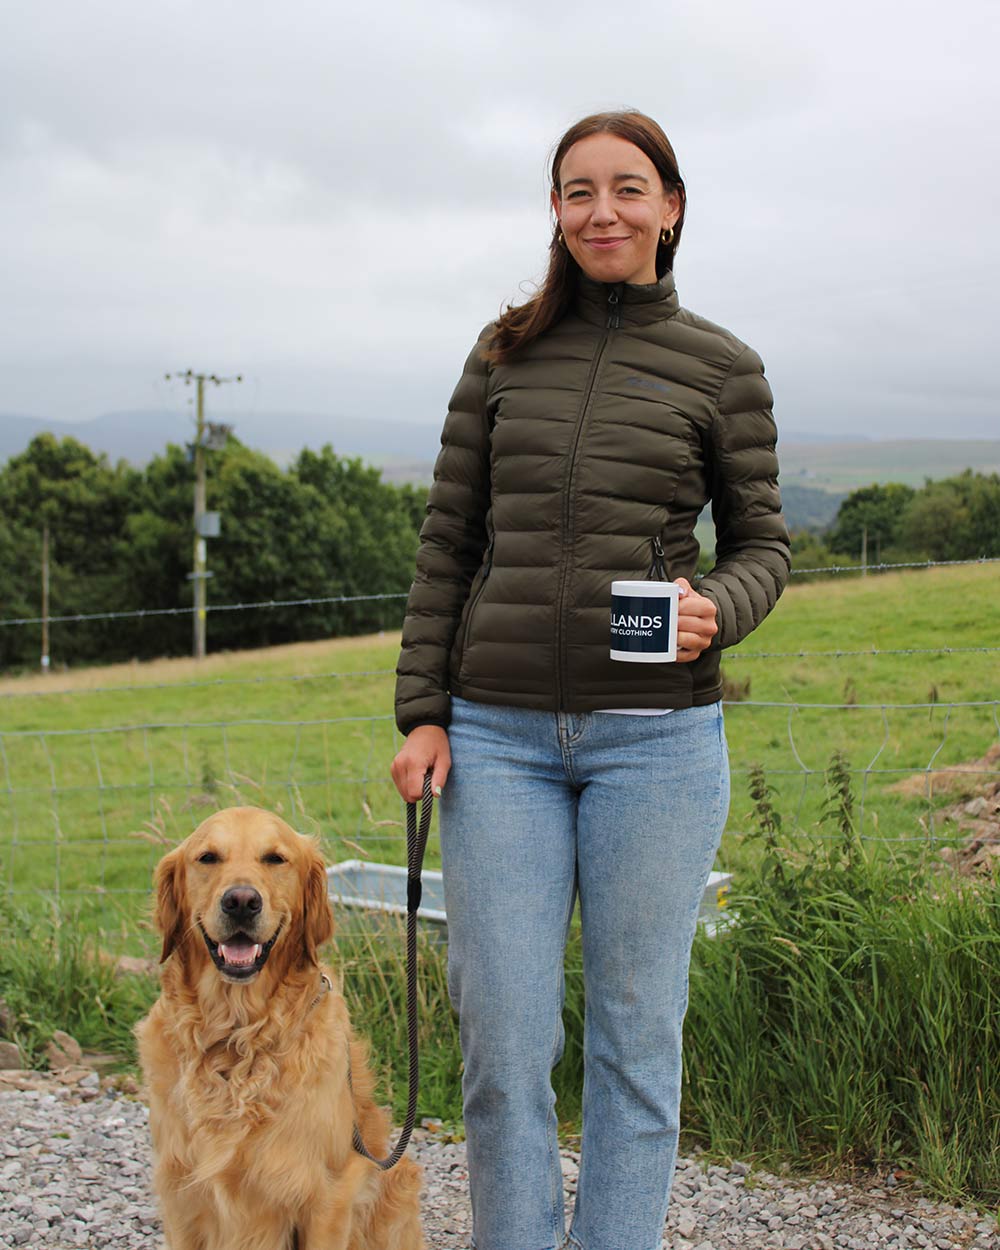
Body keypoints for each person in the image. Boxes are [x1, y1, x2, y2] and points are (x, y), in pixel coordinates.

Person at [391, 110, 790, 1250]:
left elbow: (765, 541)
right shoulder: (501, 352)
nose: (600, 211)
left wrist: (726, 604)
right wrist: (422, 711)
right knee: (504, 1039)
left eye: (625, 188)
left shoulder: (723, 366)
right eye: (577, 192)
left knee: (632, 1032)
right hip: (499, 741)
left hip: (656, 744)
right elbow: (447, 540)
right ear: (555, 213)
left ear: (669, 205)